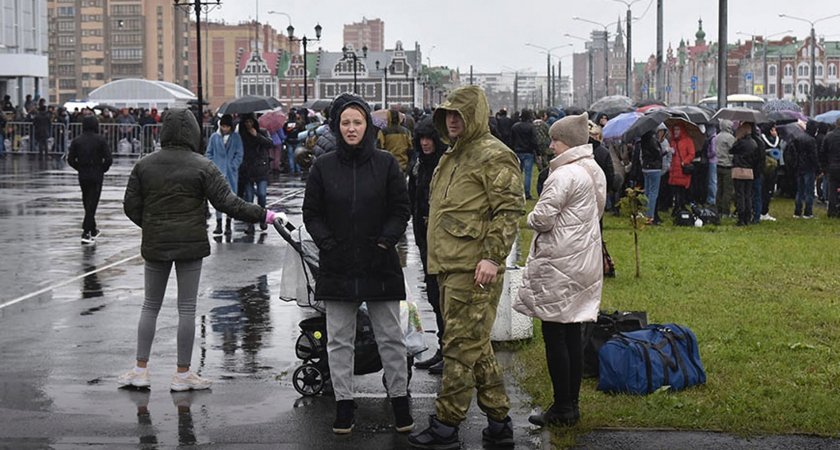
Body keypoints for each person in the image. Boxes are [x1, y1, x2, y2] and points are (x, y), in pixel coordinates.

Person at [119, 108, 277, 392]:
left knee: (150, 305)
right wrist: (263, 214)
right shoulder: (202, 166)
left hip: (156, 243)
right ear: (193, 133)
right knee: (187, 309)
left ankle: (140, 370)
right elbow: (229, 203)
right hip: (191, 243)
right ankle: (182, 374)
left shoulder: (144, 165)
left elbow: (130, 205)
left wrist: (152, 224)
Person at [409, 86, 524, 449]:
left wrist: (492, 257)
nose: (452, 120)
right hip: (450, 265)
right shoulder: (453, 155)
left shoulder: (494, 155)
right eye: (447, 115)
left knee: (458, 347)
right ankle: (499, 422)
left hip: (475, 268)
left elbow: (509, 211)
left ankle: (446, 425)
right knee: (476, 346)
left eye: (459, 114)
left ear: (475, 115)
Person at [302, 93, 413, 435]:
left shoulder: (385, 164)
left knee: (391, 338)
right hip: (338, 263)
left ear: (367, 126)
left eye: (357, 122)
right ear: (337, 126)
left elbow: (400, 208)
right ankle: (344, 405)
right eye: (345, 123)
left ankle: (399, 401)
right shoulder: (323, 166)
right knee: (339, 340)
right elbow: (312, 213)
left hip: (379, 261)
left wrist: (384, 240)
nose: (351, 128)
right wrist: (328, 243)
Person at [514, 112, 605, 428]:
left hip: (560, 262)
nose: (551, 145)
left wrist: (524, 219)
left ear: (568, 142)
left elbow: (543, 218)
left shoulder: (564, 175)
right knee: (571, 332)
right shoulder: (593, 170)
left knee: (555, 334)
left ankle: (562, 407)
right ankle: (572, 404)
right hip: (582, 260)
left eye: (555, 139)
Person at [407, 117, 447, 376]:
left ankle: (449, 353)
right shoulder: (419, 165)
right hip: (424, 237)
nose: (425, 143)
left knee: (445, 298)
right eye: (421, 139)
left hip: (444, 240)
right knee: (433, 296)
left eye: (429, 138)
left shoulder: (446, 165)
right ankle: (442, 349)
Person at [67, 116, 112, 244]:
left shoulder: (77, 141)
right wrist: (103, 169)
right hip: (96, 173)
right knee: (93, 203)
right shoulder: (100, 140)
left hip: (83, 174)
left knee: (87, 201)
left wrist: (79, 167)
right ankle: (86, 231)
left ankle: (92, 229)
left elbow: (70, 159)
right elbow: (108, 159)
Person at [206, 114, 244, 236]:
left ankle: (228, 223)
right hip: (217, 172)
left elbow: (239, 153)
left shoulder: (236, 137)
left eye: (227, 126)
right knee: (218, 198)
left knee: (231, 199)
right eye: (223, 126)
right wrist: (213, 165)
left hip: (231, 173)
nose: (225, 129)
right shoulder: (214, 137)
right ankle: (218, 223)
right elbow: (209, 152)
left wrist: (233, 165)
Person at [239, 113, 273, 234]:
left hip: (261, 168)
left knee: (262, 194)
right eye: (246, 122)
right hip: (247, 169)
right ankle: (250, 222)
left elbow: (270, 143)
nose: (249, 124)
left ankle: (263, 217)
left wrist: (257, 136)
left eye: (250, 122)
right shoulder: (241, 135)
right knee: (248, 197)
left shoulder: (262, 132)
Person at [730, 122, 759, 226]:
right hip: (749, 171)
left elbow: (731, 150)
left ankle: (741, 218)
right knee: (748, 195)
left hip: (738, 169)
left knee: (740, 195)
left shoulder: (740, 142)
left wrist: (737, 139)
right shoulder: (754, 143)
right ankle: (748, 217)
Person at [792, 121, 819, 219]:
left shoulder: (798, 138)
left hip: (799, 166)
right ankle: (808, 212)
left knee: (800, 191)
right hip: (809, 167)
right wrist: (818, 168)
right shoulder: (811, 140)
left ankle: (797, 212)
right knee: (809, 191)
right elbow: (813, 156)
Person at [668, 122, 696, 215]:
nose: (676, 132)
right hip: (674, 170)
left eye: (678, 129)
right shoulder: (672, 141)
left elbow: (692, 153)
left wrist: (685, 161)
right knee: (675, 190)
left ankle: (681, 206)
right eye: (675, 129)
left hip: (682, 169)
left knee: (682, 190)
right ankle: (677, 207)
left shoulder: (688, 140)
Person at [511, 109, 538, 199]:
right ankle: (527, 193)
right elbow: (534, 140)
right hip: (528, 152)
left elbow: (512, 139)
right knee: (528, 174)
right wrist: (536, 151)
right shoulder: (531, 127)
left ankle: (516, 192)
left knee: (518, 173)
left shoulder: (515, 127)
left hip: (517, 151)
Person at [640, 128, 663, 224]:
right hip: (654, 167)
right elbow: (657, 153)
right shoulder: (653, 138)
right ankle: (650, 216)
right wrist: (664, 151)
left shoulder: (643, 138)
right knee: (653, 193)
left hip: (646, 166)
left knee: (647, 192)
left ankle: (645, 214)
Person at [379, 109, 413, 173]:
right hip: (403, 165)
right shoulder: (406, 132)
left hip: (388, 165)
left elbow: (380, 148)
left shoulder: (383, 132)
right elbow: (410, 149)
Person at [759, 123, 780, 221]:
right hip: (769, 168)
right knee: (766, 190)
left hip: (763, 168)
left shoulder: (760, 139)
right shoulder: (772, 140)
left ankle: (761, 210)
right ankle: (763, 211)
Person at [715, 120, 736, 217]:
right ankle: (725, 211)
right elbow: (733, 151)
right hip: (727, 166)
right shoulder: (730, 138)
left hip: (718, 164)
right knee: (727, 190)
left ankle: (718, 209)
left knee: (719, 189)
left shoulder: (717, 137)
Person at [822, 118, 840, 217]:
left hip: (832, 166)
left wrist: (824, 167)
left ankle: (832, 211)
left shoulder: (829, 136)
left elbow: (823, 152)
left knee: (832, 189)